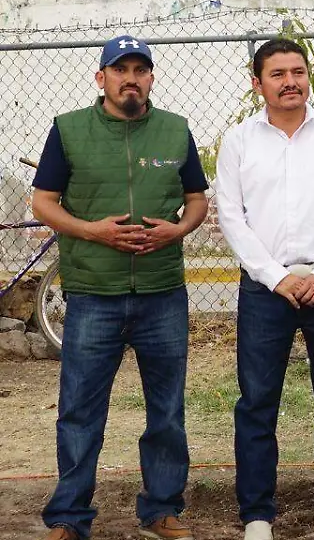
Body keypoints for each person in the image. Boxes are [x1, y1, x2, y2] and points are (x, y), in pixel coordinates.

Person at [33, 36, 210, 540]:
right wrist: (92, 231)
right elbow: (43, 201)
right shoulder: (68, 131)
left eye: (140, 69)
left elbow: (197, 199)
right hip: (93, 292)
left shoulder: (176, 131)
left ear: (151, 78)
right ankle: (69, 517)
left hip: (162, 293)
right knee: (80, 411)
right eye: (120, 69)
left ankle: (161, 510)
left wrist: (180, 229)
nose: (130, 78)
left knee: (167, 412)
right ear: (102, 78)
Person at [216, 39, 314, 539]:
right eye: (277, 73)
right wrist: (275, 276)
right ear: (257, 82)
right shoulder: (239, 142)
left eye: (298, 71)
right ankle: (257, 511)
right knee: (258, 400)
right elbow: (231, 216)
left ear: (310, 76)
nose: (290, 81)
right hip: (266, 288)